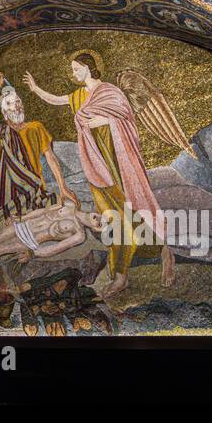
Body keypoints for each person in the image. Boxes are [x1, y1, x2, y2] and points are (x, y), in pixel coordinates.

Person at [24, 51, 175, 293]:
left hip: (118, 165)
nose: (72, 73)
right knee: (114, 220)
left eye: (76, 68)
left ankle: (163, 252)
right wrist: (35, 89)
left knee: (132, 213)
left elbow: (127, 118)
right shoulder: (77, 96)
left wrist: (106, 122)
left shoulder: (109, 91)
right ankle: (121, 274)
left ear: (88, 67)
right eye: (72, 70)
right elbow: (57, 100)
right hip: (97, 168)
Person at [0, 71, 75, 235]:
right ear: (4, 113)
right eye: (10, 103)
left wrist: (63, 187)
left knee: (66, 209)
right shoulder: (0, 131)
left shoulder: (35, 127)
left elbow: (51, 158)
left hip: (35, 189)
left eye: (18, 101)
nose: (16, 105)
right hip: (9, 194)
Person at [0, 200, 104, 282]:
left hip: (30, 239)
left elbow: (55, 248)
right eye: (99, 216)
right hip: (25, 225)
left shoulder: (79, 235)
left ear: (96, 230)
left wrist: (32, 253)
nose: (97, 218)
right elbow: (43, 212)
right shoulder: (70, 204)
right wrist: (20, 218)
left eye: (99, 224)